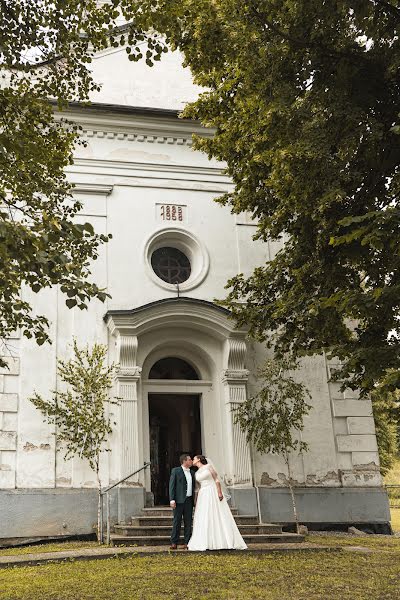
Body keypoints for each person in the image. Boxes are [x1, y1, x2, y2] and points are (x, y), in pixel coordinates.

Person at [188, 455, 247, 551]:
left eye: (194, 458)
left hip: (212, 491)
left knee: (216, 513)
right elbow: (198, 487)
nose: (193, 460)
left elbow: (216, 480)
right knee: (204, 516)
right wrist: (196, 499)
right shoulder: (197, 473)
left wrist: (219, 492)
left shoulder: (208, 467)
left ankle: (224, 540)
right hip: (203, 494)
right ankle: (206, 541)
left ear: (199, 459)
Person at [169, 453, 196, 550]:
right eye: (189, 460)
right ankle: (174, 542)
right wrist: (172, 499)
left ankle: (187, 542)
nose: (191, 461)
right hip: (178, 500)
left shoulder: (192, 473)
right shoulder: (176, 471)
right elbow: (172, 486)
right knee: (177, 521)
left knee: (188, 522)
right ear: (184, 461)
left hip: (189, 500)